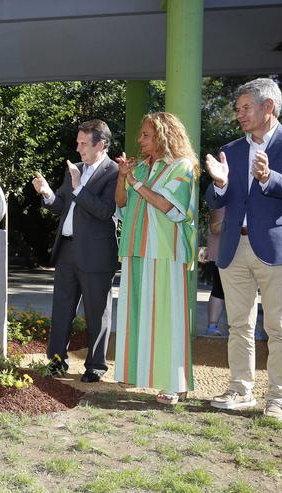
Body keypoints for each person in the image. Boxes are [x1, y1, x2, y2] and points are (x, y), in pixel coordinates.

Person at [205, 78, 282, 424]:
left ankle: (278, 398)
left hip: (277, 248)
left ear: (268, 106)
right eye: (237, 109)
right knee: (238, 324)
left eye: (245, 107)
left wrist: (270, 178)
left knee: (279, 327)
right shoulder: (232, 149)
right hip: (234, 247)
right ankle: (240, 389)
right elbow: (215, 199)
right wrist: (220, 183)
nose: (239, 114)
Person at [114, 112, 198, 405]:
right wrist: (123, 178)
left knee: (169, 318)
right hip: (136, 248)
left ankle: (175, 384)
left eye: (146, 135)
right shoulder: (140, 167)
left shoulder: (181, 166)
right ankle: (137, 374)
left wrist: (136, 183)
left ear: (164, 135)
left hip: (166, 251)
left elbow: (167, 206)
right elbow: (121, 204)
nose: (140, 140)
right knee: (137, 314)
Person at [32, 119, 118, 381]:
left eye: (83, 143)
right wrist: (47, 194)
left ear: (100, 144)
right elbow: (62, 205)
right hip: (67, 251)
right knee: (61, 310)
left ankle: (95, 367)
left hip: (96, 255)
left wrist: (80, 187)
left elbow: (105, 211)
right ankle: (57, 361)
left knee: (96, 313)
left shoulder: (115, 172)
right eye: (78, 142)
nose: (78, 147)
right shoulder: (75, 169)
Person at [205, 207, 226, 336]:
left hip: (244, 253)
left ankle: (244, 329)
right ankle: (212, 326)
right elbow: (215, 228)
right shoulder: (220, 199)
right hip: (221, 251)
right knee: (219, 289)